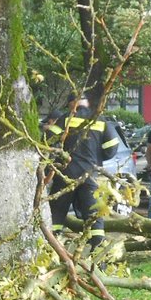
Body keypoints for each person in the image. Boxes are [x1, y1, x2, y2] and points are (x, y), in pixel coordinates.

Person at [48, 91, 120, 249]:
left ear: (72, 103)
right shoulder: (99, 119)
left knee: (57, 211)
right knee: (94, 214)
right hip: (90, 174)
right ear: (86, 102)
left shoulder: (66, 119)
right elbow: (112, 146)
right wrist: (97, 157)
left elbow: (48, 141)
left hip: (66, 174)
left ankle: (52, 248)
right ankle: (98, 250)